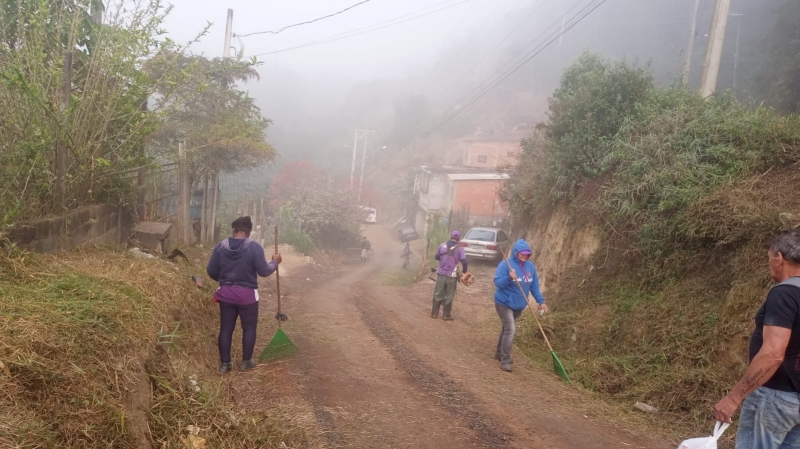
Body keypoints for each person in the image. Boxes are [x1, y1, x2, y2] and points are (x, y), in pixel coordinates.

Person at [713, 230, 800, 448]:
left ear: (779, 258)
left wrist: (733, 398)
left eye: (769, 257)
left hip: (774, 399)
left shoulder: (785, 294)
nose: (769, 263)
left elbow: (772, 354)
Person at [206, 216, 282, 374]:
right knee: (249, 329)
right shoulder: (254, 248)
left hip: (225, 295)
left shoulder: (220, 246)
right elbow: (264, 271)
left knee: (226, 329)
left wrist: (225, 281)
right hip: (247, 297)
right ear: (248, 232)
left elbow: (211, 271)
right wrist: (275, 262)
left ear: (233, 231)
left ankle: (225, 364)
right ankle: (246, 362)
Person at [493, 239, 547, 372]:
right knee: (510, 329)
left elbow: (534, 287)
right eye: (521, 253)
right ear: (516, 252)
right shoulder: (506, 264)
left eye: (527, 254)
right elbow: (498, 282)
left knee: (506, 329)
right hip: (504, 302)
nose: (524, 256)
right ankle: (505, 360)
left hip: (519, 305)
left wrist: (541, 301)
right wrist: (509, 278)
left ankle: (499, 353)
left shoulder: (530, 267)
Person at [432, 230, 468, 321]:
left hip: (441, 273)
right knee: (449, 295)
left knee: (438, 293)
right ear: (459, 238)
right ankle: (446, 315)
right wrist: (464, 272)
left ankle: (434, 313)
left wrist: (444, 258)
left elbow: (436, 257)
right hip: (452, 275)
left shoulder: (442, 245)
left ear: (450, 236)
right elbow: (465, 261)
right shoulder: (460, 248)